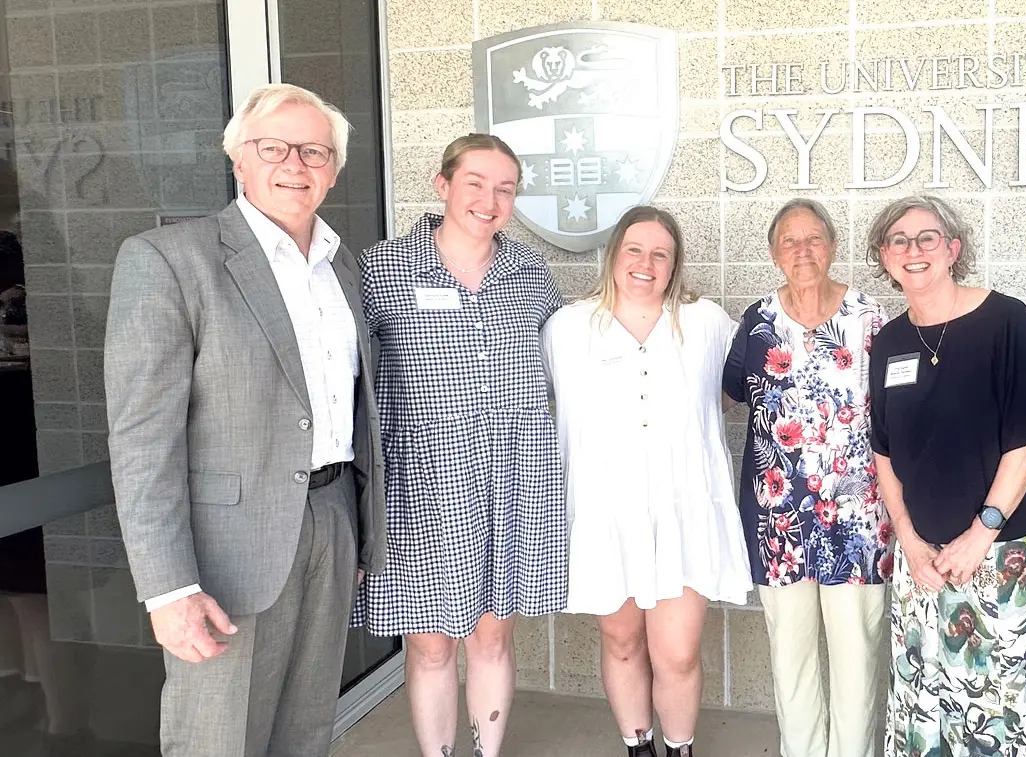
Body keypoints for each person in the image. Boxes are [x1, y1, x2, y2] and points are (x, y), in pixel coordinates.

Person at [104, 83, 386, 757]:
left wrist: (357, 529)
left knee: (306, 726)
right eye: (274, 147)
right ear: (238, 161)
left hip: (330, 520)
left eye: (314, 150)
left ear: (334, 169)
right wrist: (168, 587)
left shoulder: (341, 266)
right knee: (216, 737)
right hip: (225, 548)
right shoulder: (171, 260)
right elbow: (144, 440)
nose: (296, 162)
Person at [355, 134, 565, 757]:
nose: (490, 199)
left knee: (492, 639)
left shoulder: (530, 276)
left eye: (504, 188)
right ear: (443, 185)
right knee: (429, 645)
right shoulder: (382, 270)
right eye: (476, 182)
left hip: (513, 484)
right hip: (420, 488)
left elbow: (567, 367)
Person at [865, 195, 1026, 757]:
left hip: (1004, 553)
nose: (914, 251)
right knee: (926, 701)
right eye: (899, 241)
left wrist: (981, 532)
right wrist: (907, 540)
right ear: (883, 257)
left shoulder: (1007, 322)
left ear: (953, 249)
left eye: (927, 238)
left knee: (1007, 704)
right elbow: (884, 452)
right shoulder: (889, 343)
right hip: (923, 564)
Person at [542, 206, 751, 757]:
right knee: (622, 639)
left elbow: (759, 381)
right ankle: (638, 745)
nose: (646, 263)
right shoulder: (567, 328)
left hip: (684, 511)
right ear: (613, 256)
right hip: (603, 512)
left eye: (661, 253)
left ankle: (679, 748)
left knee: (677, 651)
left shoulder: (705, 324)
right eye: (634, 249)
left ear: (676, 263)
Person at [721, 199, 889, 757]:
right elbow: (731, 392)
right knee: (789, 654)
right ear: (773, 254)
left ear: (833, 247)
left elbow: (894, 411)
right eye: (789, 242)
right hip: (779, 521)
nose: (802, 251)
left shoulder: (870, 319)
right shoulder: (757, 322)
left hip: (858, 518)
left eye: (813, 239)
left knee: (855, 654)